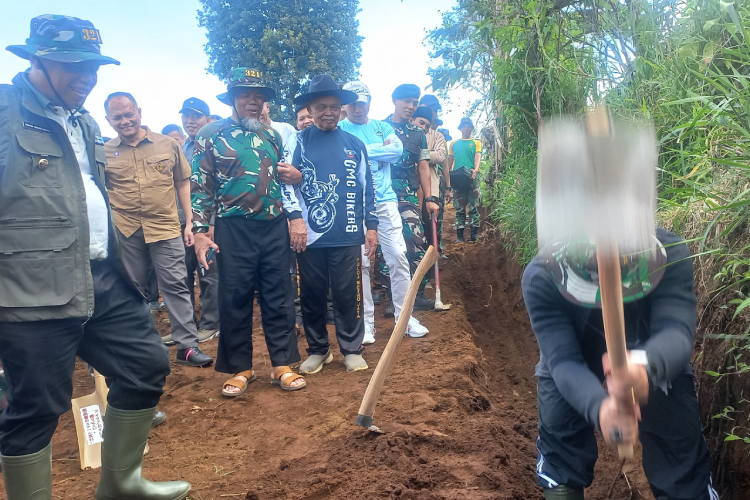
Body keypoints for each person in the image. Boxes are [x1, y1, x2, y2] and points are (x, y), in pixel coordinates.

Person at [0, 15, 190, 499]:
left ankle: (121, 483)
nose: (86, 77)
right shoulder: (5, 111)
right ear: (37, 59)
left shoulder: (82, 120)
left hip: (102, 274)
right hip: (31, 287)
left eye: (93, 67)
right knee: (37, 406)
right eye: (73, 65)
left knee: (146, 365)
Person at [522, 230, 718, 500]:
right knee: (560, 433)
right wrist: (600, 407)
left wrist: (646, 367)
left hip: (649, 349)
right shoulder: (542, 275)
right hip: (576, 350)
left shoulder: (668, 254)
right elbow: (564, 360)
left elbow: (676, 331)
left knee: (677, 442)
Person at [192, 68, 306, 395]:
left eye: (259, 97)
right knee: (235, 297)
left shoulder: (273, 136)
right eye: (246, 96)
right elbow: (200, 186)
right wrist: (200, 230)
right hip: (232, 227)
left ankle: (281, 365)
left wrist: (293, 212)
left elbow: (283, 183)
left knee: (279, 296)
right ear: (233, 100)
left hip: (272, 226)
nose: (254, 102)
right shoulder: (211, 134)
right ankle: (241, 368)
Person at [104, 92, 214, 368]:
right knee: (133, 290)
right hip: (126, 230)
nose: (125, 121)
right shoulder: (104, 152)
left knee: (176, 285)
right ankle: (140, 349)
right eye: (117, 117)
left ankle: (187, 346)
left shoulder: (167, 144)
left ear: (139, 111)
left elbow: (182, 182)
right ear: (108, 120)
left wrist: (190, 221)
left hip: (165, 227)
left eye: (129, 114)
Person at [285, 75, 378, 374]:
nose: (328, 112)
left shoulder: (355, 144)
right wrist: (295, 219)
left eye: (334, 107)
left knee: (348, 292)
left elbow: (367, 187)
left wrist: (371, 226)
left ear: (342, 110)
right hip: (308, 235)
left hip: (348, 232)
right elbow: (284, 182)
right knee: (311, 294)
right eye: (321, 106)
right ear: (310, 109)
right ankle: (318, 350)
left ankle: (351, 349)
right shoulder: (297, 141)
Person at [340, 81, 430, 344]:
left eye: (363, 102)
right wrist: (375, 154)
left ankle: (405, 319)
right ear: (345, 105)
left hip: (386, 200)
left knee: (399, 257)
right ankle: (367, 323)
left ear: (370, 102)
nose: (358, 108)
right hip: (353, 205)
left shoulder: (383, 127)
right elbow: (346, 155)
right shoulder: (339, 129)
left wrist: (359, 152)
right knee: (362, 263)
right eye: (353, 103)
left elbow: (397, 151)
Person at [380, 84, 438, 313]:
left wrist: (430, 197)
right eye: (407, 101)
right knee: (388, 246)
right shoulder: (379, 128)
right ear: (394, 100)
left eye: (414, 102)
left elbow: (423, 166)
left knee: (416, 238)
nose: (411, 106)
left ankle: (418, 293)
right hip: (382, 194)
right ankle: (391, 299)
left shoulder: (418, 135)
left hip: (407, 195)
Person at [171, 96, 220, 344]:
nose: (189, 121)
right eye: (186, 116)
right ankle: (185, 325)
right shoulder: (182, 148)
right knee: (182, 274)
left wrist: (208, 222)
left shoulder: (214, 145)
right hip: (180, 220)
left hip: (207, 222)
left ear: (208, 119)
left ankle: (211, 323)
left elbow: (213, 187)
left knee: (208, 271)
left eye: (196, 116)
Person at [418, 95, 449, 254]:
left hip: (431, 188)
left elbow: (440, 156)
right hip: (410, 188)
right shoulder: (409, 129)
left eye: (436, 110)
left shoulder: (437, 135)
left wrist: (419, 154)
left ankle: (430, 270)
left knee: (431, 228)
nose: (433, 112)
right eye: (430, 108)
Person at [446, 117, 481, 242]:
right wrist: (447, 179)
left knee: (473, 207)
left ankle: (474, 234)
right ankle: (459, 236)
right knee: (459, 208)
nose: (466, 128)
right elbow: (449, 161)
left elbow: (477, 156)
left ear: (471, 128)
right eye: (464, 126)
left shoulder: (476, 142)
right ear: (460, 128)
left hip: (472, 177)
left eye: (468, 126)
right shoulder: (454, 144)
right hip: (458, 178)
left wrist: (476, 169)